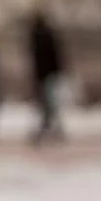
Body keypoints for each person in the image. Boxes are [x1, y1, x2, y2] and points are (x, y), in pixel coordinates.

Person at [27, 10, 67, 145]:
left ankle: (46, 129)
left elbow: (38, 59)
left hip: (42, 76)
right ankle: (51, 129)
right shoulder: (47, 35)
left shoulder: (36, 37)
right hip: (48, 75)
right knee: (48, 103)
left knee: (47, 103)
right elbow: (56, 56)